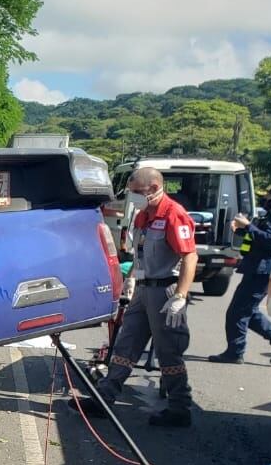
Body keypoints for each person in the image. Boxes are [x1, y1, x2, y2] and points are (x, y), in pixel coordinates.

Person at [84, 166, 198, 427]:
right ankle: (105, 397)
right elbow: (140, 253)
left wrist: (180, 295)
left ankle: (180, 407)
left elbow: (189, 256)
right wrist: (132, 278)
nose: (133, 197)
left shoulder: (173, 215)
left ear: (155, 189)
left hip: (165, 291)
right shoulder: (143, 216)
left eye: (137, 192)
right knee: (126, 343)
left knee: (169, 352)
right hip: (144, 289)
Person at [208, 182, 271, 365]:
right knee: (247, 311)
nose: (266, 199)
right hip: (255, 268)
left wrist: (248, 226)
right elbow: (255, 238)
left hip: (263, 270)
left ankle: (235, 352)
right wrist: (241, 229)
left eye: (270, 196)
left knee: (237, 313)